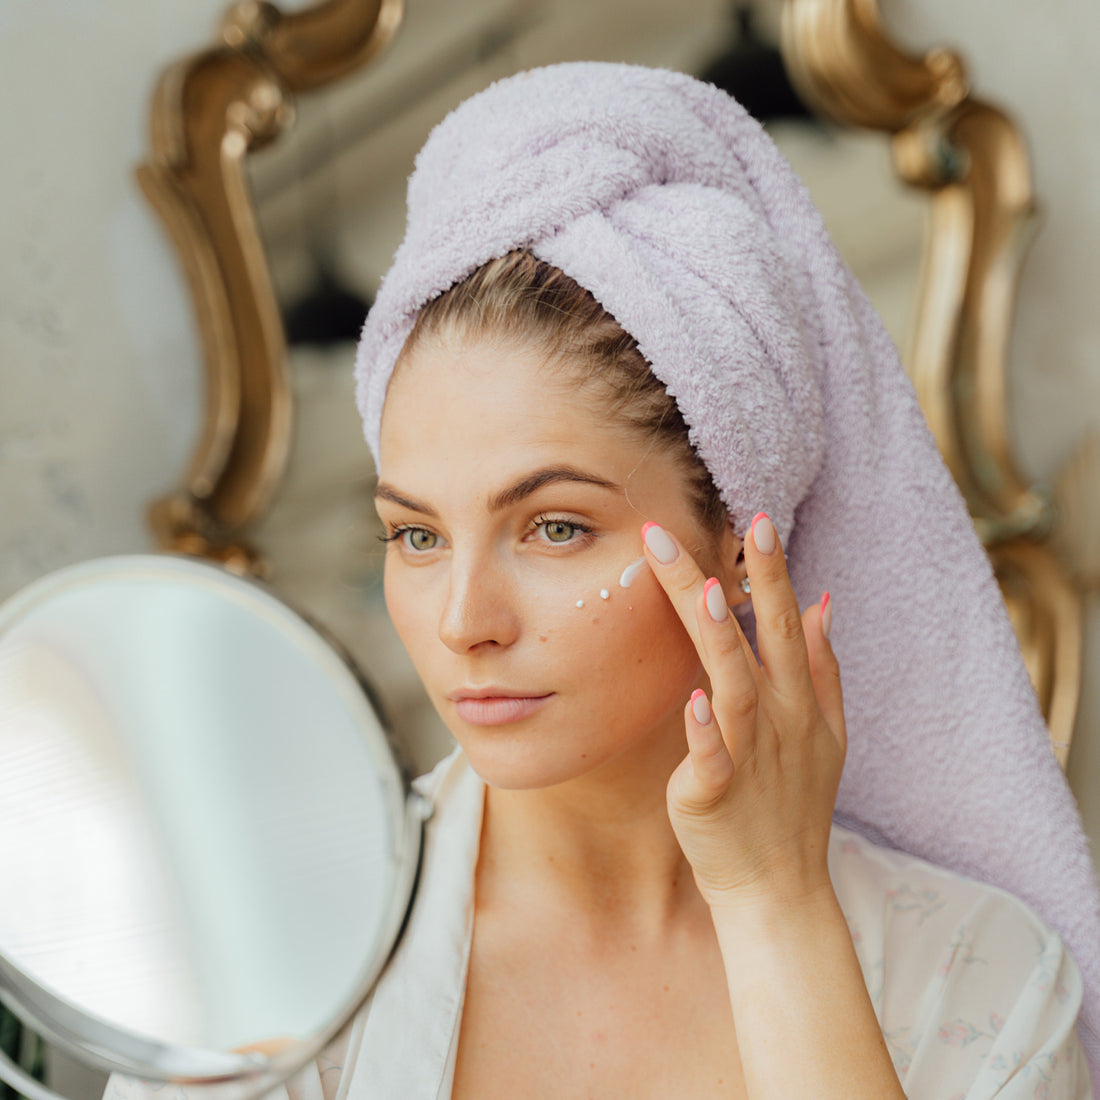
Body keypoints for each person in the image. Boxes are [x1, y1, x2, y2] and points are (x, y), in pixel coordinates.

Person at [107, 61, 1100, 1100]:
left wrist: (774, 903)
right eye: (414, 535)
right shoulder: (266, 956)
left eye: (554, 526)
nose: (463, 622)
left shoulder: (975, 976)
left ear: (737, 535)